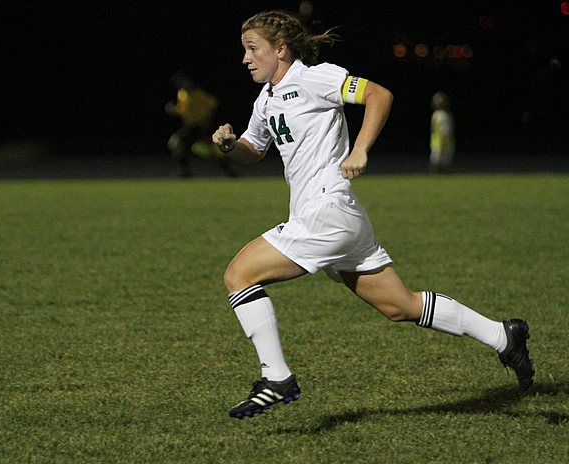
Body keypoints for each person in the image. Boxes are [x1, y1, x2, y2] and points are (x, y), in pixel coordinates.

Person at [211, 11, 534, 420]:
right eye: (244, 50)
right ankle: (503, 336)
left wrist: (360, 149)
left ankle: (277, 377)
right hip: (336, 218)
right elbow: (253, 151)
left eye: (252, 49)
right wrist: (229, 146)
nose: (246, 58)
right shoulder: (266, 99)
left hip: (325, 212)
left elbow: (379, 95)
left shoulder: (315, 77)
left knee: (238, 275)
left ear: (281, 49)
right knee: (399, 305)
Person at [165, 70, 237, 178]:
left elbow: (213, 104)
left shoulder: (198, 94)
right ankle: (230, 172)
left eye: (182, 81)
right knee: (206, 151)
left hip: (198, 127)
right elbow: (184, 110)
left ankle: (185, 172)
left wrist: (204, 118)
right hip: (190, 127)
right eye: (178, 82)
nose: (181, 84)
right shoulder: (182, 94)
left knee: (176, 143)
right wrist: (174, 110)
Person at [429, 91, 455, 173]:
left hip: (441, 143)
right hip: (440, 143)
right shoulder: (441, 115)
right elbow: (444, 131)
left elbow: (445, 131)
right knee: (440, 163)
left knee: (440, 162)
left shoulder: (438, 115)